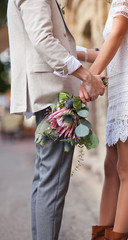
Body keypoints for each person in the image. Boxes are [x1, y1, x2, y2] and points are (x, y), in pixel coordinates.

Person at [7, 0, 106, 240]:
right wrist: (86, 76)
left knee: (46, 180)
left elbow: (54, 39)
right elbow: (43, 39)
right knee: (53, 182)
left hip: (49, 93)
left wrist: (89, 54)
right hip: (52, 95)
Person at [77, 0, 128, 239]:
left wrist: (89, 79)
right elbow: (109, 47)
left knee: (127, 170)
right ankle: (100, 236)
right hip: (123, 88)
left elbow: (117, 36)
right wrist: (73, 54)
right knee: (110, 167)